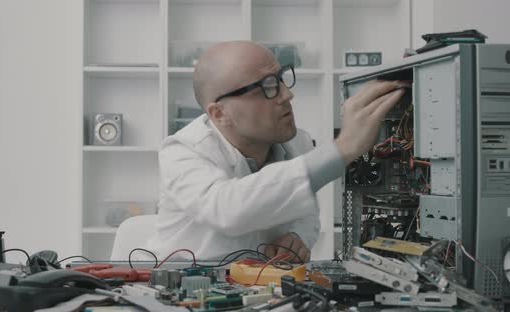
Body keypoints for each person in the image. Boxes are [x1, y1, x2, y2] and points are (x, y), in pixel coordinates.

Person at [146, 41, 406, 263]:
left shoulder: (299, 143)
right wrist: (343, 148)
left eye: (281, 79)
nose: (287, 94)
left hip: (257, 290)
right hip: (179, 291)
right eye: (268, 87)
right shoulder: (182, 150)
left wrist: (297, 238)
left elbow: (306, 215)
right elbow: (228, 209)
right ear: (219, 113)